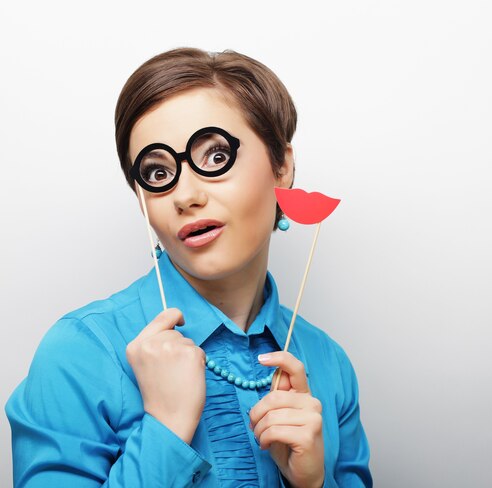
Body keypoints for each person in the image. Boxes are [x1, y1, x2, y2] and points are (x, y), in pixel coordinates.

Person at [4, 47, 372, 487]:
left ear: (282, 167)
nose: (185, 195)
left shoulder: (329, 364)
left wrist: (311, 483)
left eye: (216, 157)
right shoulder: (81, 351)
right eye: (157, 174)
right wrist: (165, 428)